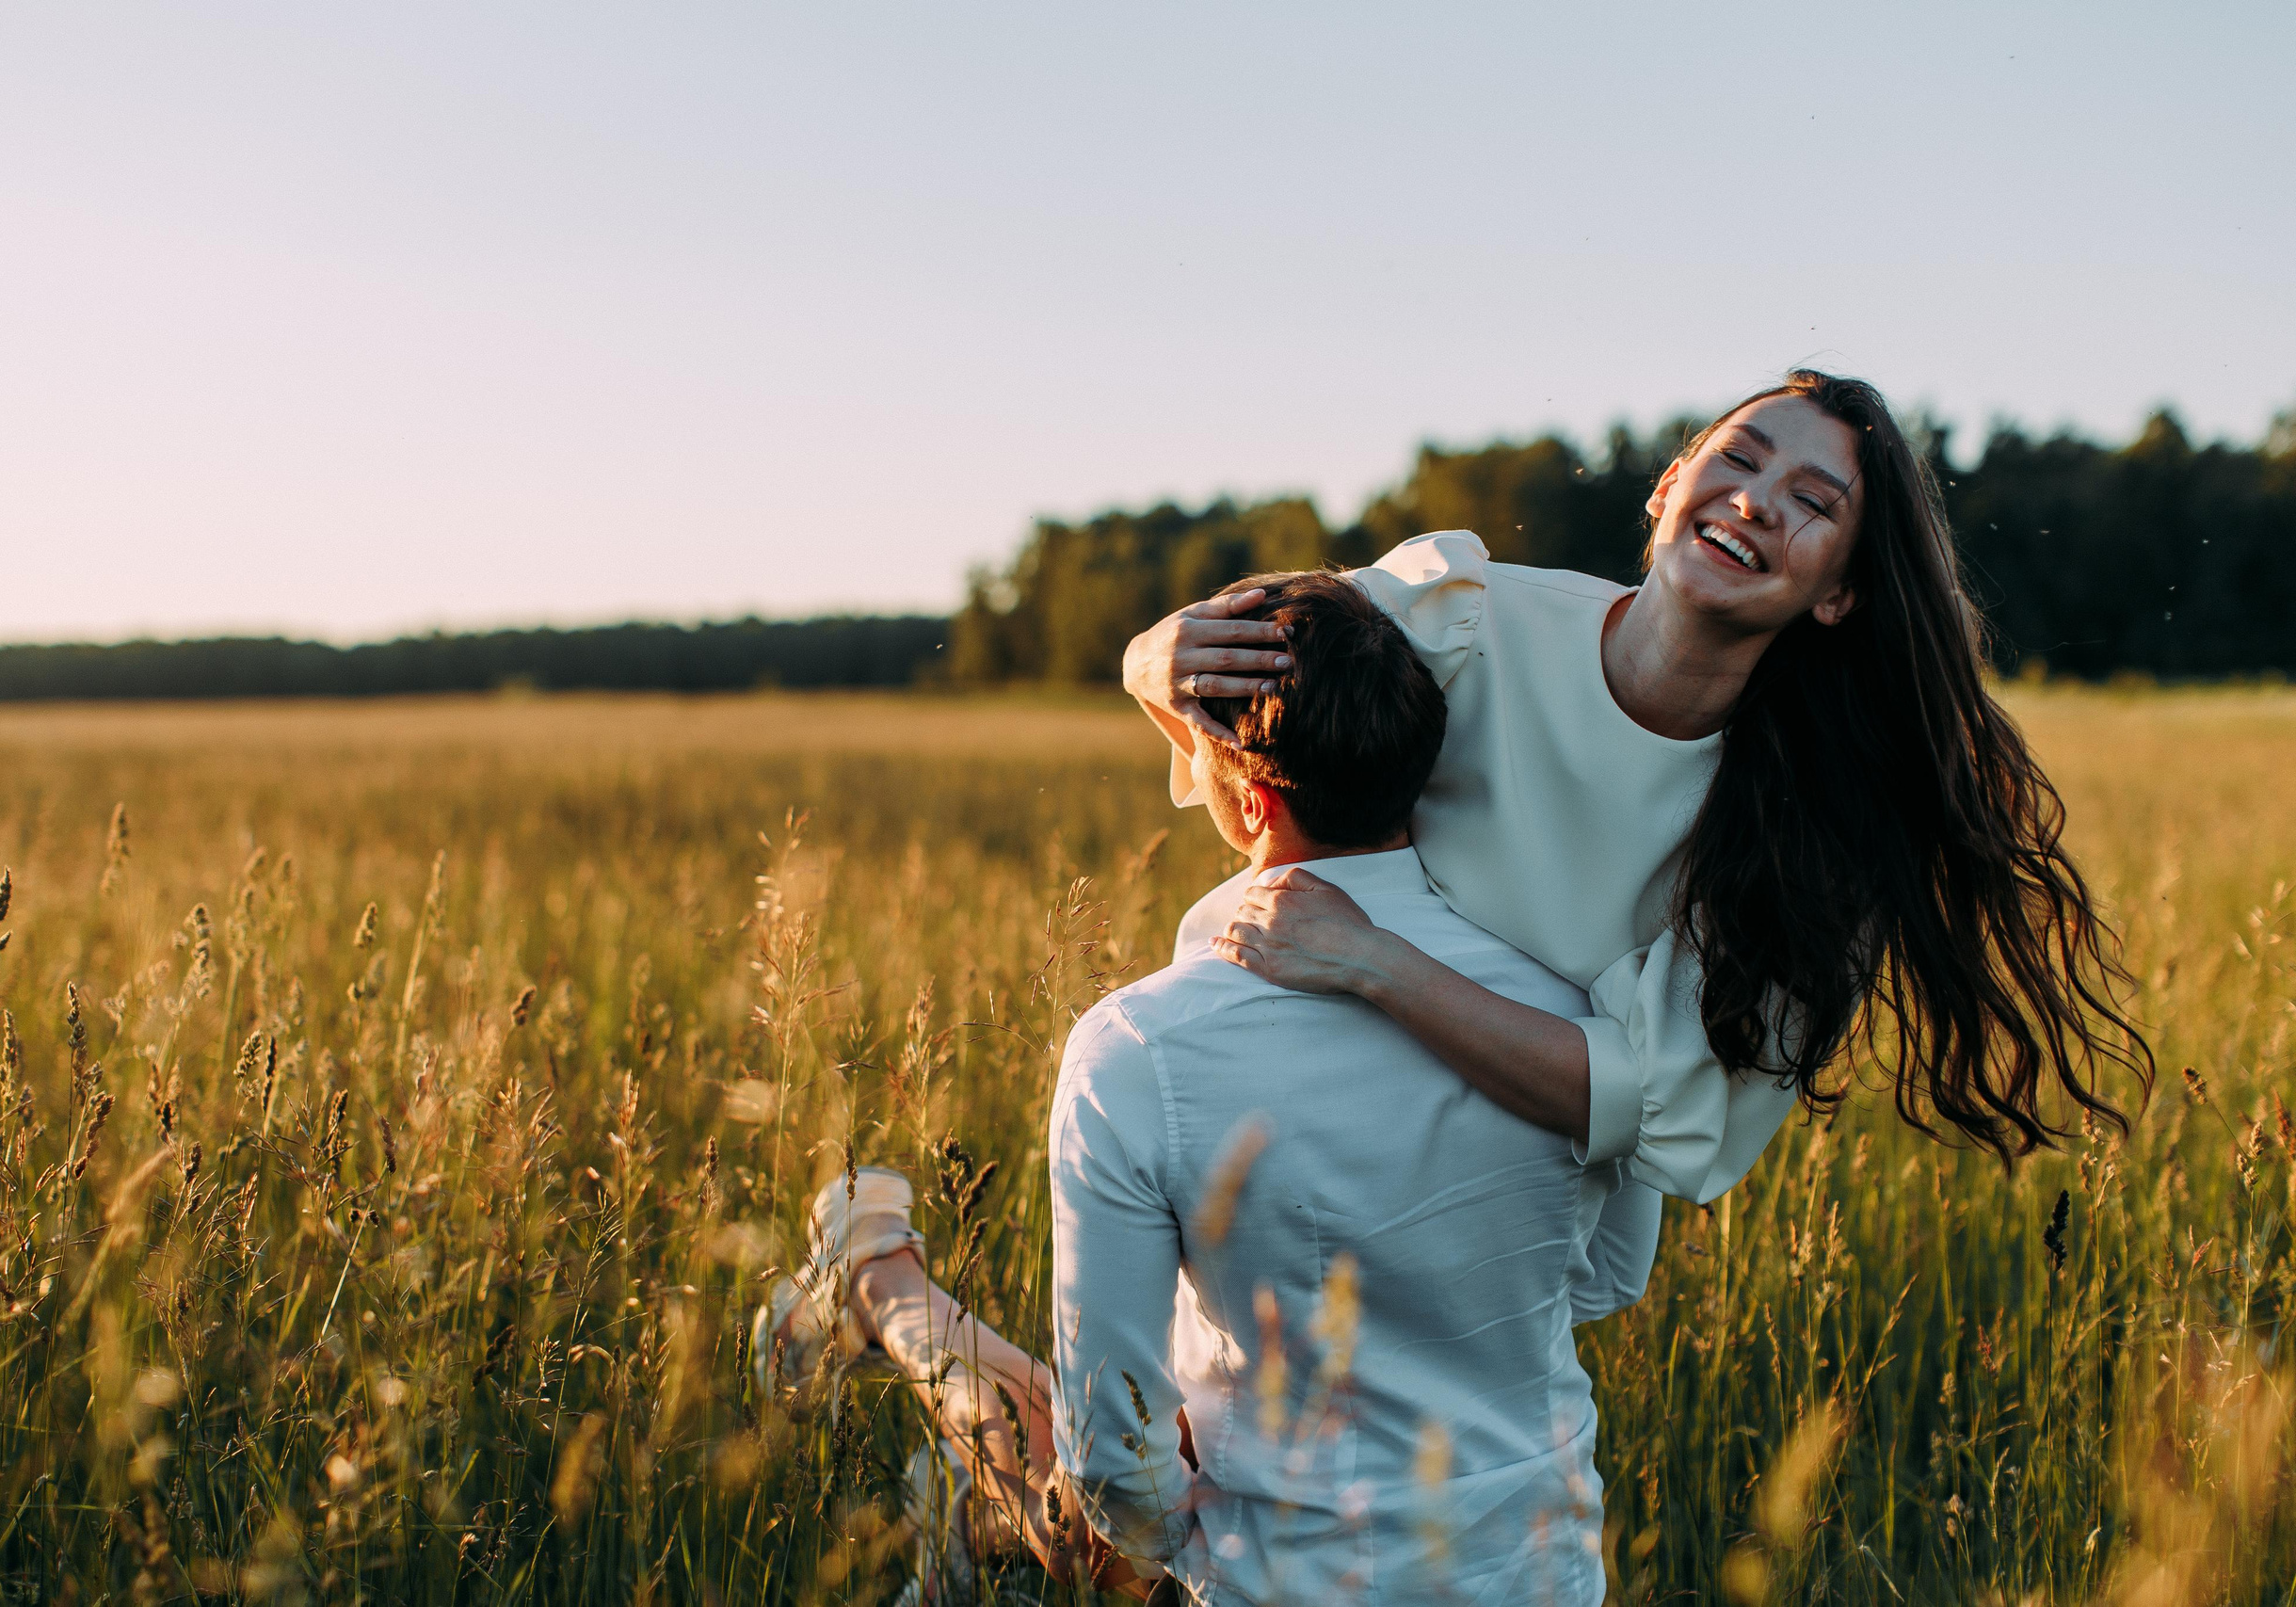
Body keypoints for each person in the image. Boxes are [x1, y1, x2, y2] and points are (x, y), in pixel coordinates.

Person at [757, 571, 1663, 1603]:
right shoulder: (1569, 1008)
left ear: (1250, 802)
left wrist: (1163, 1513)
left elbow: (1115, 1466)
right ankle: (892, 1309)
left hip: (1262, 1577)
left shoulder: (1138, 1048)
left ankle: (882, 1283)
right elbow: (1604, 1281)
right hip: (1537, 1575)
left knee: (1077, 1459)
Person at [1122, 369, 2152, 1200]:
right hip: (1264, 1092)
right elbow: (1252, 739)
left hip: (1499, 1218)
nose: (1753, 500)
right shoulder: (1462, 615)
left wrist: (1374, 964)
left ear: (1840, 593)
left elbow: (1665, 1110)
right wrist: (1151, 664)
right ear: (1667, 488)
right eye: (1737, 460)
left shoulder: (1809, 837)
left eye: (1808, 503)